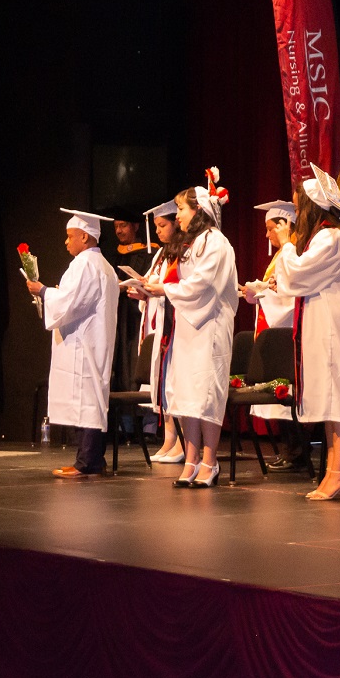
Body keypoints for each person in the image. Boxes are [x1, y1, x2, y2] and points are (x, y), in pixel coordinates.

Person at [272, 164, 340, 501]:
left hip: (335, 331)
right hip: (326, 327)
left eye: (298, 208)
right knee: (329, 399)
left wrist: (285, 244)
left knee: (338, 398)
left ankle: (338, 472)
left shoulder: (330, 237)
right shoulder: (327, 237)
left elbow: (298, 274)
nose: (296, 216)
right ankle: (334, 472)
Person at [143, 170, 237, 489]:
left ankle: (210, 460)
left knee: (206, 394)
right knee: (184, 393)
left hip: (209, 326)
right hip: (187, 324)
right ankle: (191, 458)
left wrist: (165, 291)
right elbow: (177, 282)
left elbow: (201, 284)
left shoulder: (216, 244)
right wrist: (153, 287)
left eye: (181, 209)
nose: (177, 214)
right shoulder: (188, 245)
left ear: (198, 211)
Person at [25, 208, 118, 477]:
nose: (66, 242)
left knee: (87, 399)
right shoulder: (103, 266)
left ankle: (87, 462)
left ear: (86, 237)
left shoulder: (86, 265)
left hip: (85, 344)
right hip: (92, 340)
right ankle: (89, 460)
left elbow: (70, 302)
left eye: (70, 236)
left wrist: (43, 291)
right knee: (89, 399)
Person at [243, 200, 307, 473]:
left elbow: (289, 297)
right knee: (279, 392)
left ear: (285, 226)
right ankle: (288, 450)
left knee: (287, 393)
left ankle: (297, 453)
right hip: (274, 331)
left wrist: (263, 292)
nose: (267, 235)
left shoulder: (294, 255)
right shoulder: (280, 257)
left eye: (271, 228)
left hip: (286, 332)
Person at [133, 200, 185, 463]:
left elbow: (174, 285)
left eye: (163, 225)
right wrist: (141, 289)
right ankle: (169, 439)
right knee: (164, 383)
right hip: (160, 321)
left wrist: (153, 287)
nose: (158, 231)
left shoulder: (182, 251)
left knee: (174, 383)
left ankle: (179, 442)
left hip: (175, 322)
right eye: (156, 227)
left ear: (177, 222)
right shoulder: (161, 254)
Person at [107, 210, 155, 394]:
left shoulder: (149, 254)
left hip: (135, 318)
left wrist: (127, 287)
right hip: (117, 318)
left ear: (135, 226)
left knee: (132, 364)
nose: (118, 231)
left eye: (123, 225)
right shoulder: (113, 256)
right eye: (116, 226)